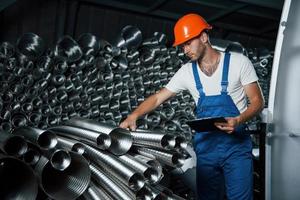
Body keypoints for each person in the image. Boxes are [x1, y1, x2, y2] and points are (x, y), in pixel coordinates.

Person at [120, 13, 264, 200]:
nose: (185, 50)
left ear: (204, 37)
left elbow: (258, 101)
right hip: (206, 151)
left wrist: (239, 120)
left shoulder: (239, 63)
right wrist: (134, 115)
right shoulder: (187, 72)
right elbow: (157, 98)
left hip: (235, 150)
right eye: (182, 46)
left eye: (188, 43)